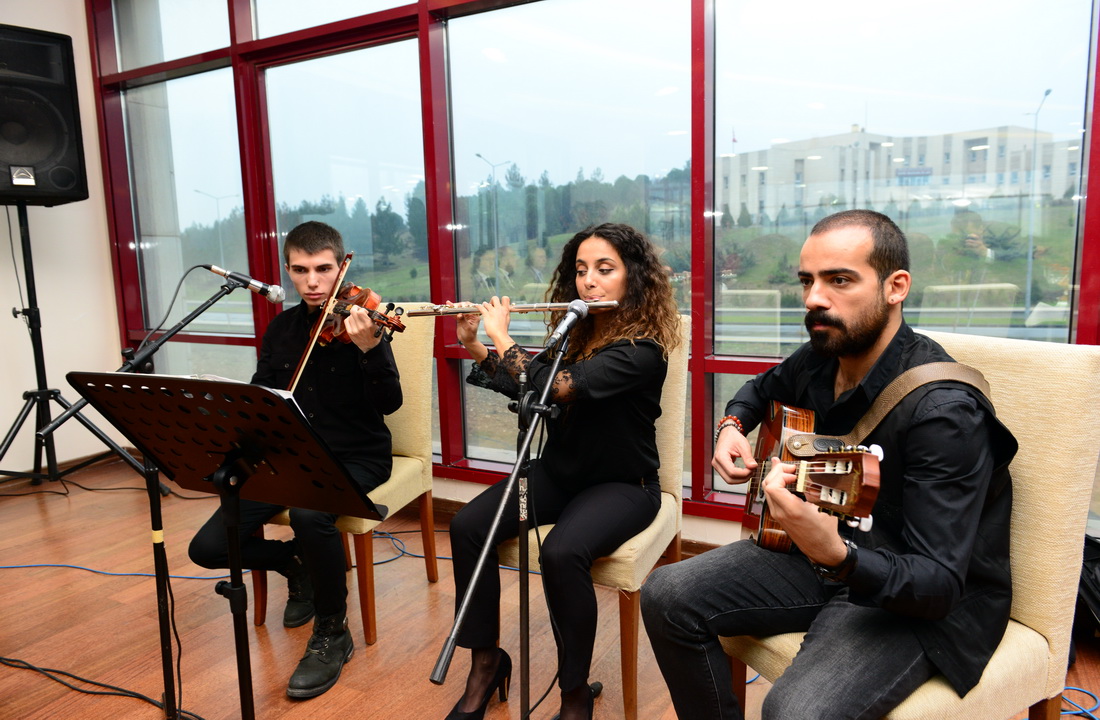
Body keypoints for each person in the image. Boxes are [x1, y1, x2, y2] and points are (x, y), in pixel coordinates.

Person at [641, 209, 1017, 720]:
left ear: (895, 286)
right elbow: (759, 389)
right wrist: (732, 426)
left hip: (916, 603)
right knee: (667, 593)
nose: (815, 298)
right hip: (827, 557)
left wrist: (836, 554)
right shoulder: (825, 354)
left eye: (840, 280)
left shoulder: (945, 413)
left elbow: (938, 584)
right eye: (807, 281)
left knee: (796, 711)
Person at [446, 222, 681, 720]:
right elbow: (529, 390)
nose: (589, 281)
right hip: (560, 472)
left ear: (632, 278)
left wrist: (502, 333)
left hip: (624, 484)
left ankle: (574, 693)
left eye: (604, 269)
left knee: (561, 552)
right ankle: (486, 661)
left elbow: (554, 387)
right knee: (467, 526)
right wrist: (477, 348)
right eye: (580, 270)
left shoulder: (643, 350)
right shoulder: (574, 333)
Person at [188, 220, 402, 699]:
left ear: (340, 266)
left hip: (357, 455)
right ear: (287, 270)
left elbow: (389, 404)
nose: (312, 282)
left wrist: (371, 350)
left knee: (309, 513)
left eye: (323, 269)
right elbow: (265, 397)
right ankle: (295, 565)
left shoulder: (362, 324)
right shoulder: (282, 328)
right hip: (287, 454)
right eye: (301, 270)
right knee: (207, 548)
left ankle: (332, 630)